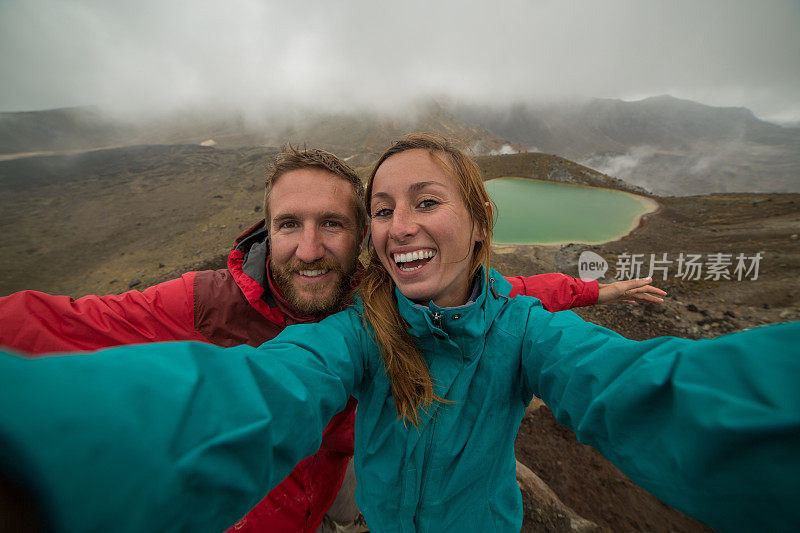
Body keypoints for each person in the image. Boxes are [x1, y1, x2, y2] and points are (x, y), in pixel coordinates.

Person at [0, 145, 665, 533]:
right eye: (289, 225)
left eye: (333, 225)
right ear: (264, 230)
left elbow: (506, 299)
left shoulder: (381, 306)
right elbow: (59, 323)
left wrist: (594, 290)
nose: (309, 248)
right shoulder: (205, 304)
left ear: (363, 239)